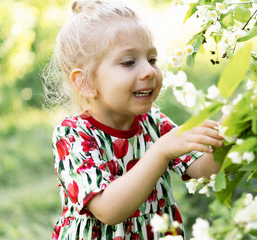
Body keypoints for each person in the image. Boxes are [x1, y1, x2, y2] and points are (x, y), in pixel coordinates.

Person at [45, 0, 223, 239]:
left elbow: (202, 168)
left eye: (152, 59)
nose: (149, 71)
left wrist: (230, 133)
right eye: (129, 62)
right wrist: (160, 152)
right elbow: (109, 210)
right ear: (86, 82)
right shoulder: (73, 134)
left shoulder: (154, 123)